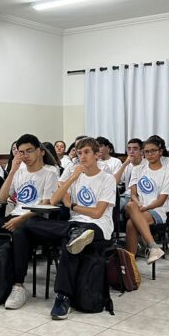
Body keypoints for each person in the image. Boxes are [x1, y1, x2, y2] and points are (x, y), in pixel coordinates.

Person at [0, 134, 58, 309]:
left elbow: (46, 204)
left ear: (39, 151)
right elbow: (3, 198)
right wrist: (13, 171)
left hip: (36, 218)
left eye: (29, 151)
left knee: (19, 234)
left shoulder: (50, 172)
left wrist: (21, 218)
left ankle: (18, 285)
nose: (25, 156)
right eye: (21, 152)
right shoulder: (20, 170)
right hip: (15, 214)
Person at [34, 137, 116, 320]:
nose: (82, 156)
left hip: (99, 227)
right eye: (79, 153)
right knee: (32, 225)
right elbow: (55, 201)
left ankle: (62, 297)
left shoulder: (107, 178)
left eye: (87, 152)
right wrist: (72, 177)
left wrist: (73, 207)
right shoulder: (75, 174)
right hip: (76, 224)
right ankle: (75, 235)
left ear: (96, 155)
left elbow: (97, 213)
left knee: (69, 245)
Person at [123, 136, 169, 264]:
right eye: (147, 151)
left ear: (160, 151)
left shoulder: (168, 173)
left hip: (157, 210)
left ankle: (130, 262)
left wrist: (143, 208)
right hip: (139, 207)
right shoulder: (138, 169)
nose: (149, 154)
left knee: (130, 223)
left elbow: (161, 201)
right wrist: (138, 204)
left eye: (153, 151)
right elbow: (133, 193)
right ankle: (152, 247)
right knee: (130, 204)